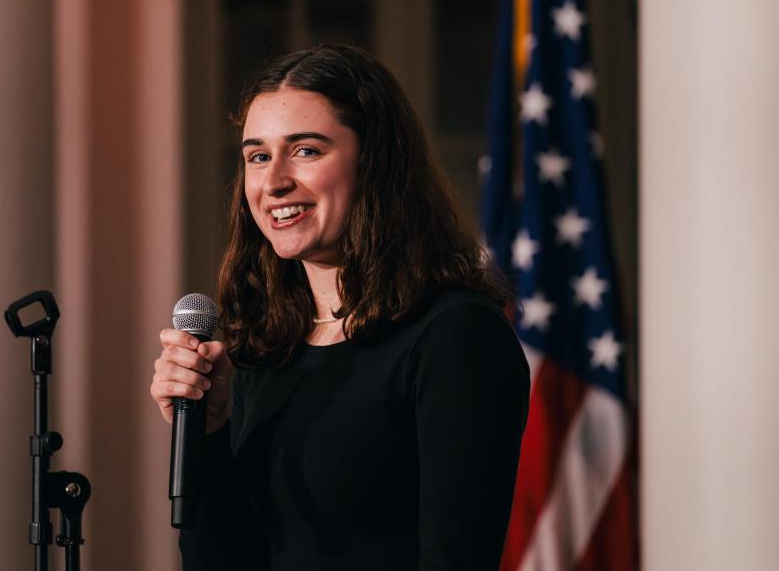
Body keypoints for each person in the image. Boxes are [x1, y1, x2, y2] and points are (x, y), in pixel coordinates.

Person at [150, 44, 529, 571]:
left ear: (375, 163)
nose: (274, 181)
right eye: (258, 156)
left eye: (305, 150)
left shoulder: (455, 336)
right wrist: (209, 431)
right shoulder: (265, 344)